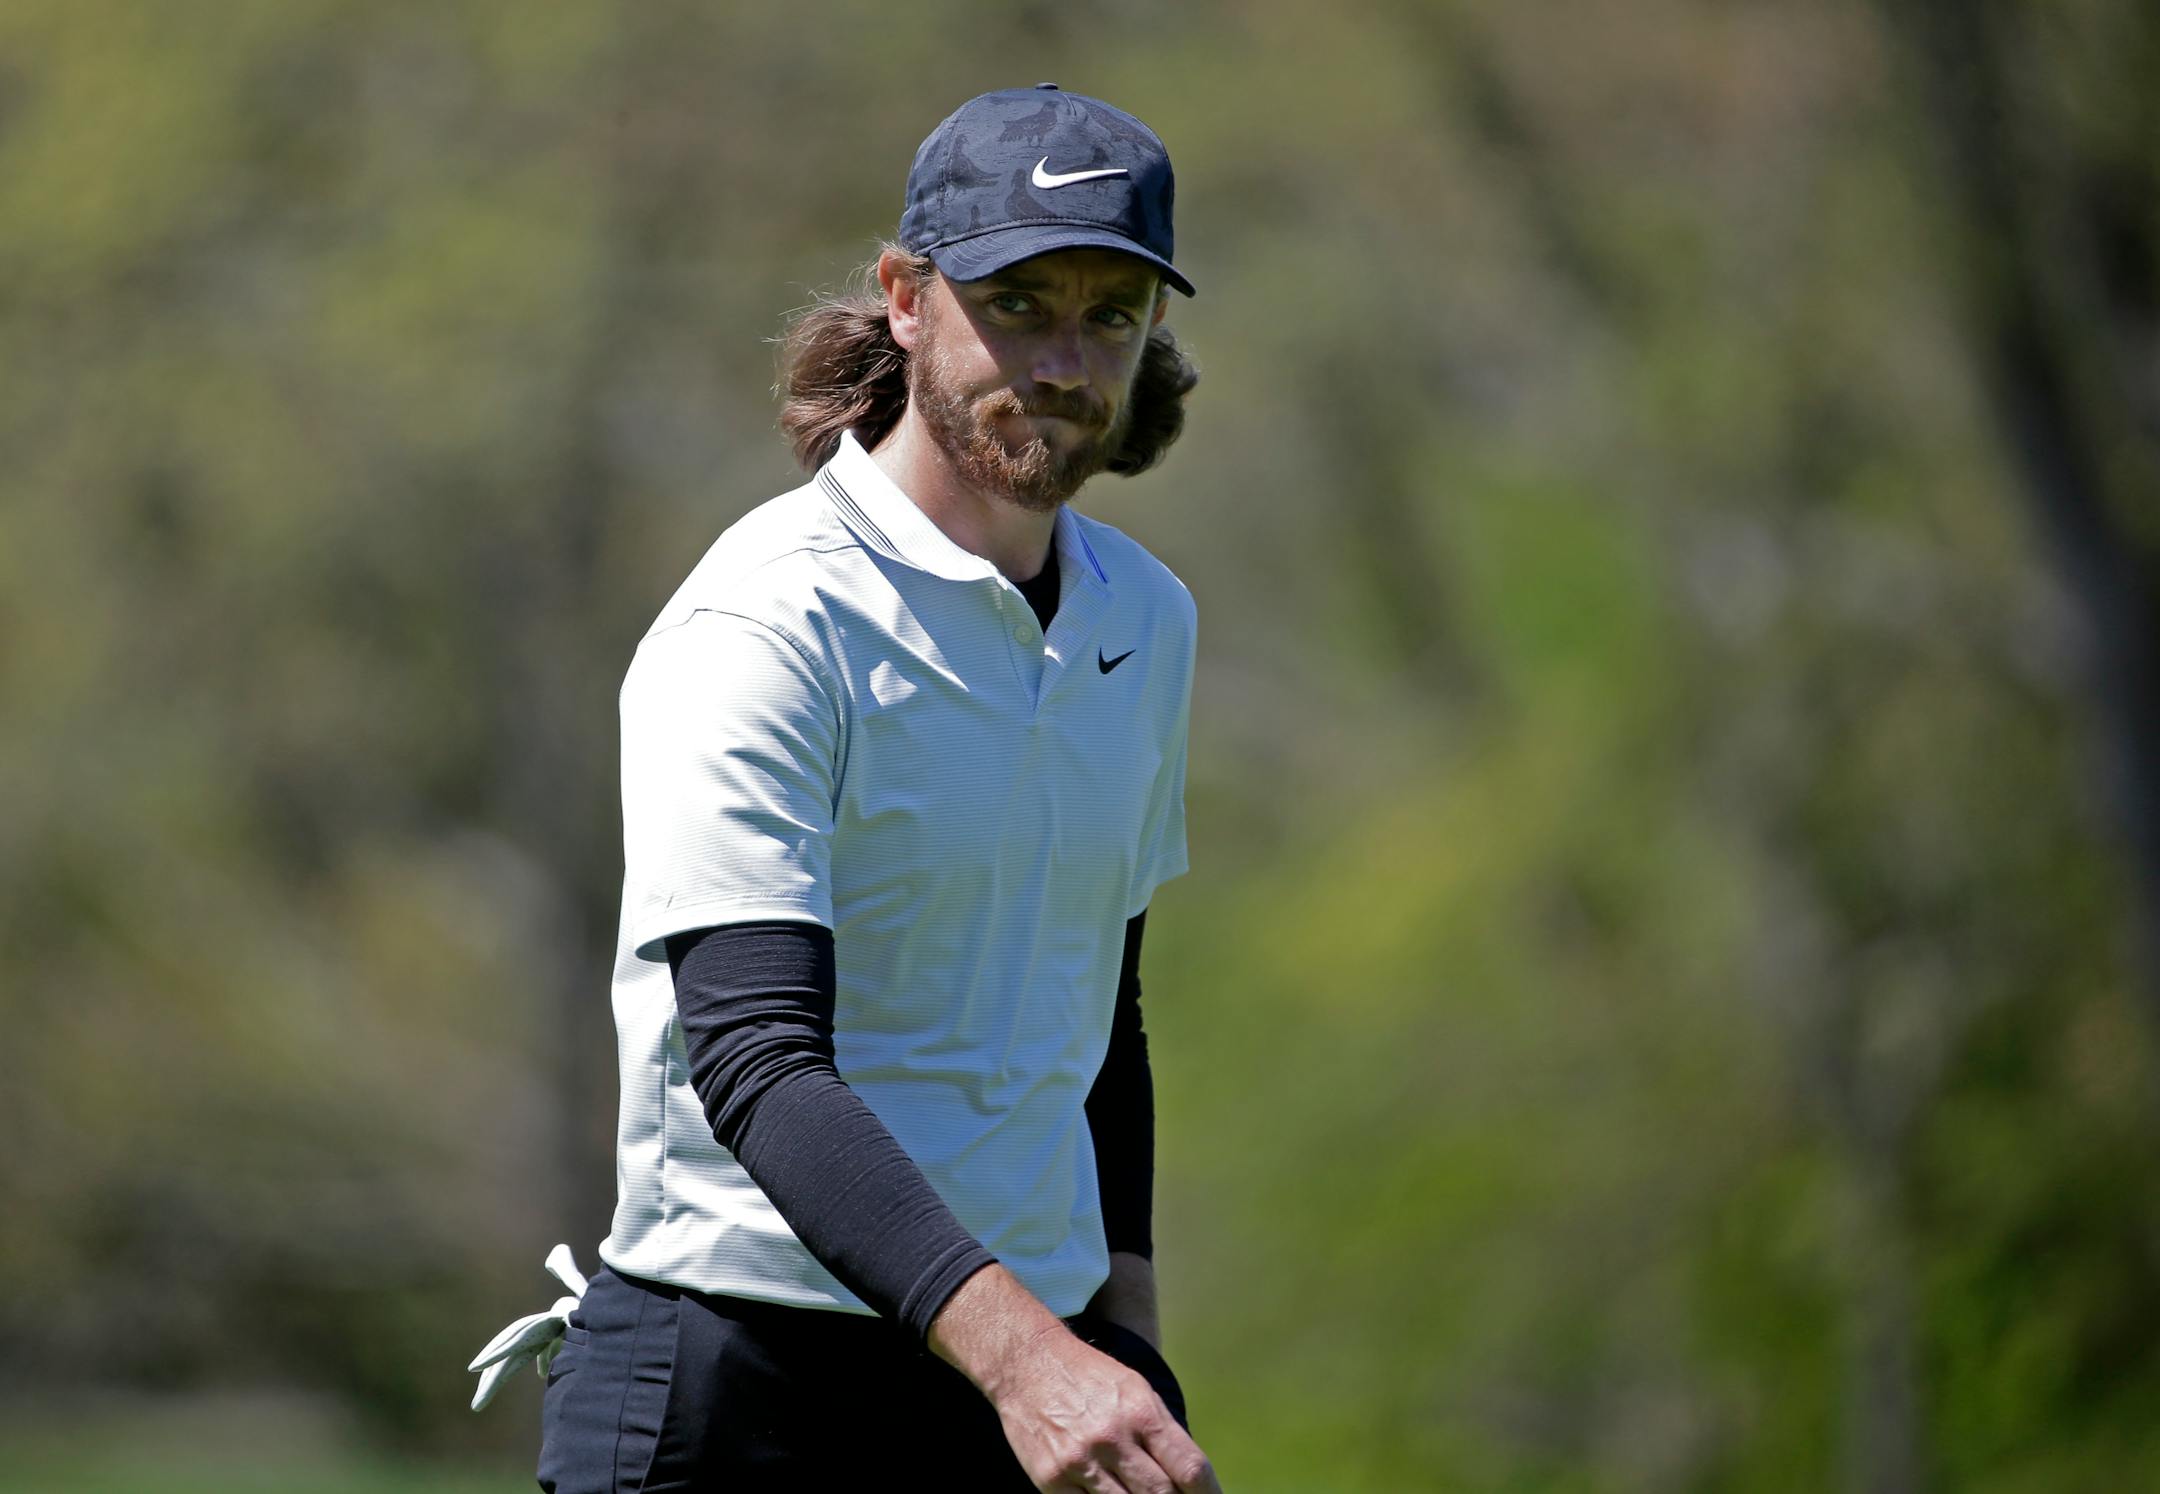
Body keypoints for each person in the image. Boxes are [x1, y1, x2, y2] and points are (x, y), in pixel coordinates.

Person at [469, 84, 1220, 1490]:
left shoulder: (1148, 619)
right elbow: (757, 1060)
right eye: (1018, 302)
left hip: (1011, 1386)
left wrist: (1125, 1332)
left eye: (1109, 315)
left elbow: (1094, 1008)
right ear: (905, 296)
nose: (1062, 360)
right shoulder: (766, 621)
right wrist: (1033, 1360)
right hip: (737, 1386)